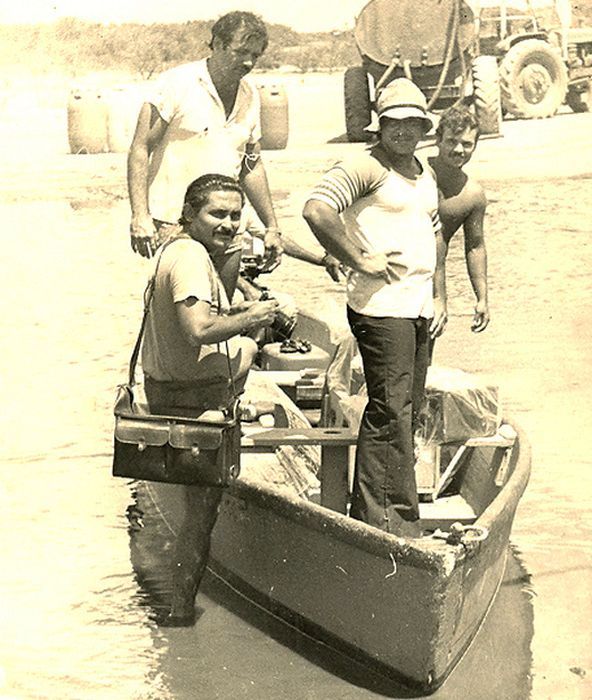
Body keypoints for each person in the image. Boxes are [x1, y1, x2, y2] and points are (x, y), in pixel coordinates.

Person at [303, 79, 446, 536]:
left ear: (425, 126)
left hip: (418, 307)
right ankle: (384, 521)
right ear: (379, 126)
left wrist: (442, 294)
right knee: (390, 409)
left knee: (407, 407)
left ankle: (393, 512)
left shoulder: (424, 171)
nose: (404, 130)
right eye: (395, 122)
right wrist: (359, 258)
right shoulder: (364, 166)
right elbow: (316, 210)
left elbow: (436, 234)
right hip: (382, 307)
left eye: (413, 122)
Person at [141, 173, 279, 625]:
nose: (230, 223)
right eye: (217, 214)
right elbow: (198, 329)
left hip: (173, 388)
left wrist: (241, 311)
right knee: (200, 515)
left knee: (251, 344)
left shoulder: (185, 251)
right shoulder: (189, 259)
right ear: (190, 215)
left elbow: (202, 318)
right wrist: (254, 314)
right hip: (188, 401)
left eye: (236, 215)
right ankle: (180, 613)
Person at [127, 10, 282, 298]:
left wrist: (272, 226)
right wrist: (140, 216)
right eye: (241, 52)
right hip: (175, 224)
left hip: (227, 224)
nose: (248, 62)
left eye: (256, 56)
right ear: (218, 44)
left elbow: (252, 165)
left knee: (221, 310)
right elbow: (140, 148)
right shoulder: (176, 83)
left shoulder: (250, 95)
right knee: (185, 315)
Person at [428, 104, 490, 335]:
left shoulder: (472, 195)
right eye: (452, 141)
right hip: (395, 272)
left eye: (467, 144)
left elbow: (475, 246)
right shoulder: (417, 173)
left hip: (434, 280)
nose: (459, 150)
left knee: (423, 359)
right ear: (438, 139)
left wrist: (482, 298)